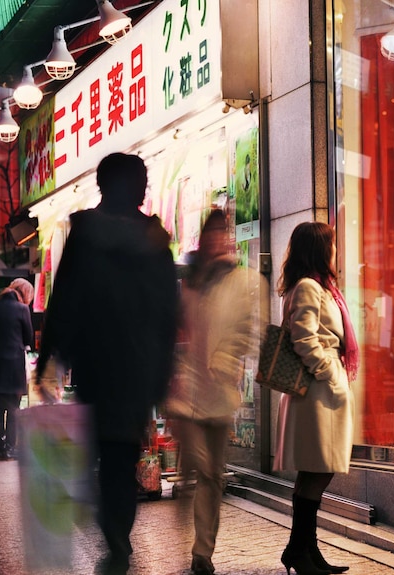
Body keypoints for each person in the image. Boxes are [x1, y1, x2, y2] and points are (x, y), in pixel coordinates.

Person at [36, 152, 178, 575]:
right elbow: (168, 314)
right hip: (137, 371)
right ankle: (119, 537)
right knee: (121, 456)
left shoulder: (85, 235)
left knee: (97, 451)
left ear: (101, 185)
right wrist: (162, 373)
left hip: (96, 366)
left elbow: (64, 302)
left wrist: (49, 359)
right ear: (137, 188)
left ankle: (111, 533)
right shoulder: (156, 242)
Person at [167, 209, 265, 575]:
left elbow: (249, 328)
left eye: (222, 233)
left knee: (213, 475)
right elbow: (177, 333)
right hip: (187, 392)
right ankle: (190, 526)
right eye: (211, 233)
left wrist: (226, 358)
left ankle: (202, 551)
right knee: (204, 468)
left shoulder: (242, 281)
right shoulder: (189, 281)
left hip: (221, 391)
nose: (216, 239)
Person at [275, 221, 358, 575]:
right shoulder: (309, 287)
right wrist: (328, 371)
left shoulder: (320, 287)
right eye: (331, 245)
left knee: (315, 472)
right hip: (317, 393)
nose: (335, 251)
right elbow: (303, 337)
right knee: (318, 471)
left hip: (321, 393)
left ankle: (304, 550)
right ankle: (300, 550)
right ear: (319, 250)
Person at [0, 278, 34, 460]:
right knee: (13, 410)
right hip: (13, 368)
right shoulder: (22, 309)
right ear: (25, 293)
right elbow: (29, 338)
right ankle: (10, 448)